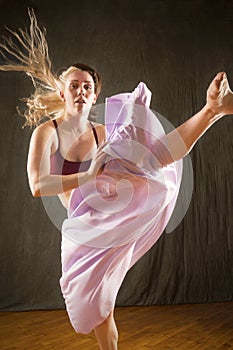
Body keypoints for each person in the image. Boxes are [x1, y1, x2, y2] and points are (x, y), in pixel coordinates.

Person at [0, 9, 232, 350]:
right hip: (84, 231)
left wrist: (106, 167)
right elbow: (37, 186)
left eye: (87, 87)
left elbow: (153, 155)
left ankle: (212, 110)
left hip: (114, 214)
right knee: (98, 313)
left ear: (95, 97)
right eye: (74, 86)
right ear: (63, 94)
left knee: (150, 157)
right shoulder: (46, 134)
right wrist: (88, 173)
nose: (80, 91)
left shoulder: (101, 133)